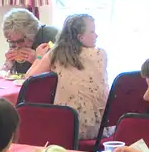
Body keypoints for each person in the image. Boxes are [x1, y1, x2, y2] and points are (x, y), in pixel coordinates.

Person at [28, 14, 109, 143]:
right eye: (92, 31)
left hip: (67, 126)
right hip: (101, 128)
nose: (96, 35)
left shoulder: (56, 54)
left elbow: (29, 79)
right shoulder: (101, 54)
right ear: (80, 37)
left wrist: (38, 57)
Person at [1, 8, 56, 74]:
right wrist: (7, 66)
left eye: (20, 41)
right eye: (12, 42)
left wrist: (37, 60)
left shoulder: (52, 36)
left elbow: (61, 72)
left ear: (31, 34)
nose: (17, 46)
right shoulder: (15, 41)